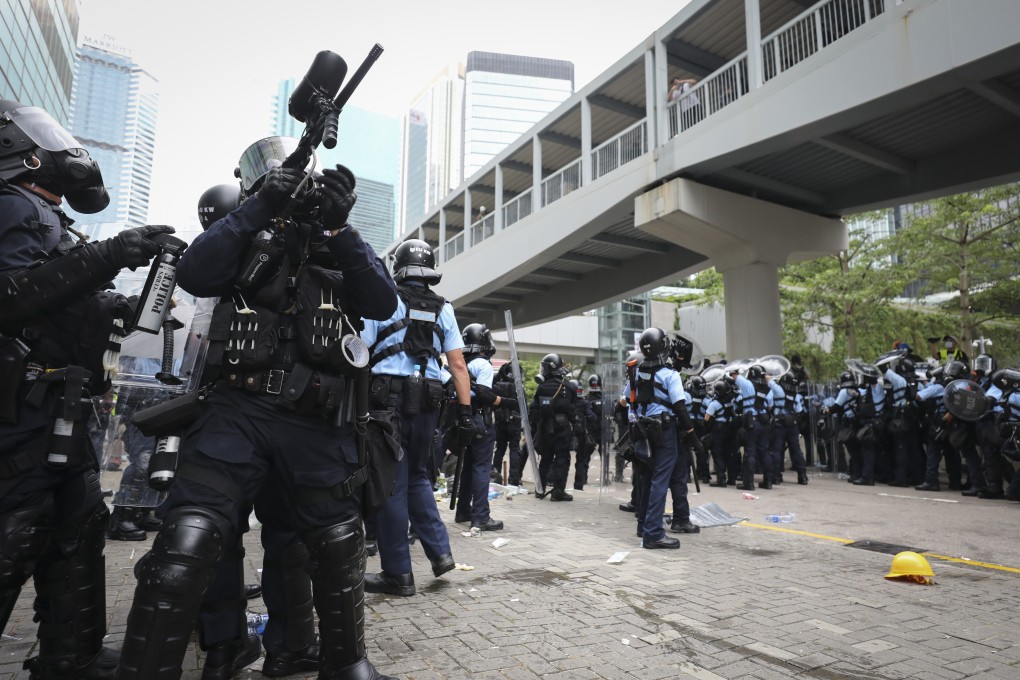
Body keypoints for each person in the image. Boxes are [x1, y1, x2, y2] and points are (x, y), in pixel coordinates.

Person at [113, 136, 399, 680]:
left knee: (335, 544)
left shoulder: (335, 242)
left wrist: (340, 230)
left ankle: (336, 662)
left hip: (318, 419)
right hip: (237, 410)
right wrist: (260, 207)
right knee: (188, 540)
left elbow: (383, 302)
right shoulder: (243, 229)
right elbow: (196, 274)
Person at [0, 100, 173, 680]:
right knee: (16, 534)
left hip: (62, 406)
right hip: (19, 408)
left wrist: (122, 305)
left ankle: (69, 657)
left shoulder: (50, 220)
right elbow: (14, 298)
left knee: (75, 528)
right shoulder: (8, 205)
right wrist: (112, 255)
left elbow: (62, 303)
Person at [359, 238, 472, 597]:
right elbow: (457, 366)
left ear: (399, 267)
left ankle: (398, 575)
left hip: (387, 401)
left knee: (391, 483)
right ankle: (440, 554)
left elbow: (360, 351)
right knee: (420, 477)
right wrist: (465, 413)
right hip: (429, 402)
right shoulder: (446, 309)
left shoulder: (384, 300)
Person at [625, 328, 698, 549]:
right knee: (660, 480)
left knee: (647, 479)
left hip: (642, 429)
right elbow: (680, 408)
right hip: (664, 430)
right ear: (663, 347)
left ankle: (643, 525)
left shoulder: (636, 372)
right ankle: (654, 534)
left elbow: (628, 400)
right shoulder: (670, 374)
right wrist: (693, 436)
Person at [454, 323, 514, 527]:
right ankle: (480, 516)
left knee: (468, 467)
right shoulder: (483, 365)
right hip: (481, 421)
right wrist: (506, 402)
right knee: (481, 468)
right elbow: (484, 394)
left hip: (463, 421)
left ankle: (463, 511)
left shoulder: (461, 363)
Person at [529, 353, 582, 502]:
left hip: (545, 428)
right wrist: (577, 426)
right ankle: (558, 491)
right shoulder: (569, 386)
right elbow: (573, 409)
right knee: (562, 459)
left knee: (545, 459)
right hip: (563, 428)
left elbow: (534, 409)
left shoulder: (542, 387)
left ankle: (540, 489)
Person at [734, 364, 773, 491]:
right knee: (765, 452)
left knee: (750, 451)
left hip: (752, 421)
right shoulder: (768, 388)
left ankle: (748, 483)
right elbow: (770, 407)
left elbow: (735, 376)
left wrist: (736, 370)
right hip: (764, 422)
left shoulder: (748, 384)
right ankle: (768, 482)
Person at [491, 362, 524, 486]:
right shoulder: (518, 387)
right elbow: (523, 406)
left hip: (500, 422)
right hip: (514, 423)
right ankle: (513, 479)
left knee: (499, 449)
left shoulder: (498, 385)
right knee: (514, 450)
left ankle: (496, 475)